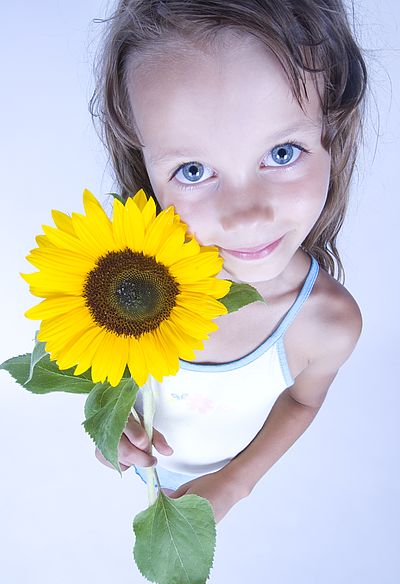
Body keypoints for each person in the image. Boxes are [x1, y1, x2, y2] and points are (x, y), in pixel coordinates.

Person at [91, 0, 367, 524]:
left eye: (282, 153)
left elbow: (302, 403)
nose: (244, 217)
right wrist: (110, 424)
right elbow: (111, 370)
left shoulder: (325, 324)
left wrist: (234, 485)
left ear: (334, 129)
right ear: (143, 165)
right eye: (193, 170)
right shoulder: (120, 287)